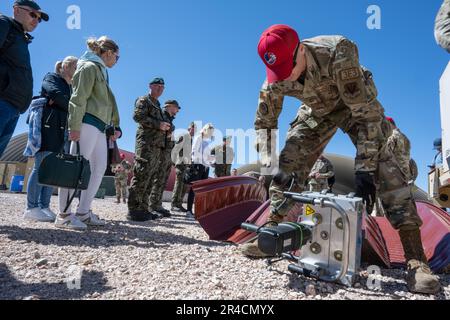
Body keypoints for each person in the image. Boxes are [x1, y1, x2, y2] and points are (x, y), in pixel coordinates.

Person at [241, 25, 440, 294]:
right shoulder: (274, 79)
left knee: (386, 164)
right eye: (279, 72)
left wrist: (365, 168)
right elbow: (264, 124)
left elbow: (367, 115)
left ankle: (416, 261)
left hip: (355, 106)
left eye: (290, 66)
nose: (286, 75)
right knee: (290, 158)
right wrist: (270, 164)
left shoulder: (337, 52)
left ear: (301, 49)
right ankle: (270, 233)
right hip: (318, 111)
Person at [56, 36, 121, 230]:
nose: (117, 61)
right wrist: (74, 126)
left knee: (99, 166)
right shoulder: (88, 67)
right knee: (74, 169)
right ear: (108, 53)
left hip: (99, 126)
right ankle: (64, 215)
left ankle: (83, 212)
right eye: (117, 57)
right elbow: (78, 98)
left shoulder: (100, 70)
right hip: (86, 122)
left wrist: (113, 125)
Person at [23, 56, 78, 223]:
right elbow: (54, 93)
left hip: (61, 129)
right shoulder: (51, 77)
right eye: (76, 67)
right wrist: (65, 102)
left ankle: (44, 205)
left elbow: (60, 99)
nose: (78, 70)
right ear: (67, 66)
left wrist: (60, 101)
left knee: (52, 169)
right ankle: (31, 207)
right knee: (41, 166)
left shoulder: (70, 86)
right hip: (47, 127)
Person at [0, 0, 49, 158]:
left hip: (13, 108)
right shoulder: (4, 24)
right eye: (33, 14)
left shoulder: (20, 37)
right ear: (16, 10)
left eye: (39, 19)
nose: (36, 21)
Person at [127, 78, 169, 222]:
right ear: (150, 86)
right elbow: (137, 116)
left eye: (162, 87)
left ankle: (144, 209)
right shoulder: (144, 100)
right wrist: (159, 125)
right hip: (145, 144)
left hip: (156, 146)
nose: (160, 89)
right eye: (157, 86)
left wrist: (165, 127)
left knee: (150, 178)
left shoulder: (157, 104)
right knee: (141, 175)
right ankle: (133, 210)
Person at [149, 100, 181, 218]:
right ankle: (152, 205)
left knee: (162, 179)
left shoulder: (169, 120)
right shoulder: (161, 116)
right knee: (157, 179)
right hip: (161, 152)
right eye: (176, 108)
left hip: (167, 154)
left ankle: (157, 204)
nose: (177, 111)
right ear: (170, 106)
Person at [186, 123, 215, 219]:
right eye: (210, 131)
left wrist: (211, 159)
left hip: (205, 167)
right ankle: (189, 211)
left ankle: (198, 212)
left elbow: (205, 156)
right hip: (198, 166)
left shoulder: (206, 142)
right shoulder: (198, 137)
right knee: (194, 189)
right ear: (206, 130)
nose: (211, 134)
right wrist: (205, 159)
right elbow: (194, 152)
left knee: (201, 191)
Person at [171, 122, 196, 213]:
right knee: (178, 184)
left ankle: (179, 204)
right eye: (193, 128)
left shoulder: (191, 139)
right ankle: (174, 204)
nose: (194, 131)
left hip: (186, 165)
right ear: (189, 128)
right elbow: (176, 149)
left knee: (184, 185)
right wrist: (174, 162)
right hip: (180, 163)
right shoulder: (184, 136)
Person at [385, 117, 418, 184]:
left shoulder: (392, 136)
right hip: (406, 175)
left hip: (395, 175)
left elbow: (386, 154)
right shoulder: (405, 138)